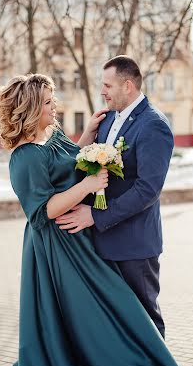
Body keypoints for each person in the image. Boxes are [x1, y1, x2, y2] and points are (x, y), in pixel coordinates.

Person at [0, 72, 193, 366]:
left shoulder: (50, 140)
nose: (56, 107)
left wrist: (87, 140)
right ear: (34, 108)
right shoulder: (23, 158)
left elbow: (67, 161)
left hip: (80, 243)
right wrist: (87, 184)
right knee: (96, 322)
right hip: (58, 252)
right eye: (50, 103)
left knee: (115, 314)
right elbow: (42, 210)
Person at [56, 56, 172, 343]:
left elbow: (148, 189)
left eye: (107, 85)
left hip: (134, 245)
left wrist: (95, 216)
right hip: (103, 242)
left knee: (145, 322)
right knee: (115, 322)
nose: (102, 91)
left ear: (128, 86)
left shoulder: (153, 125)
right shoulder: (106, 121)